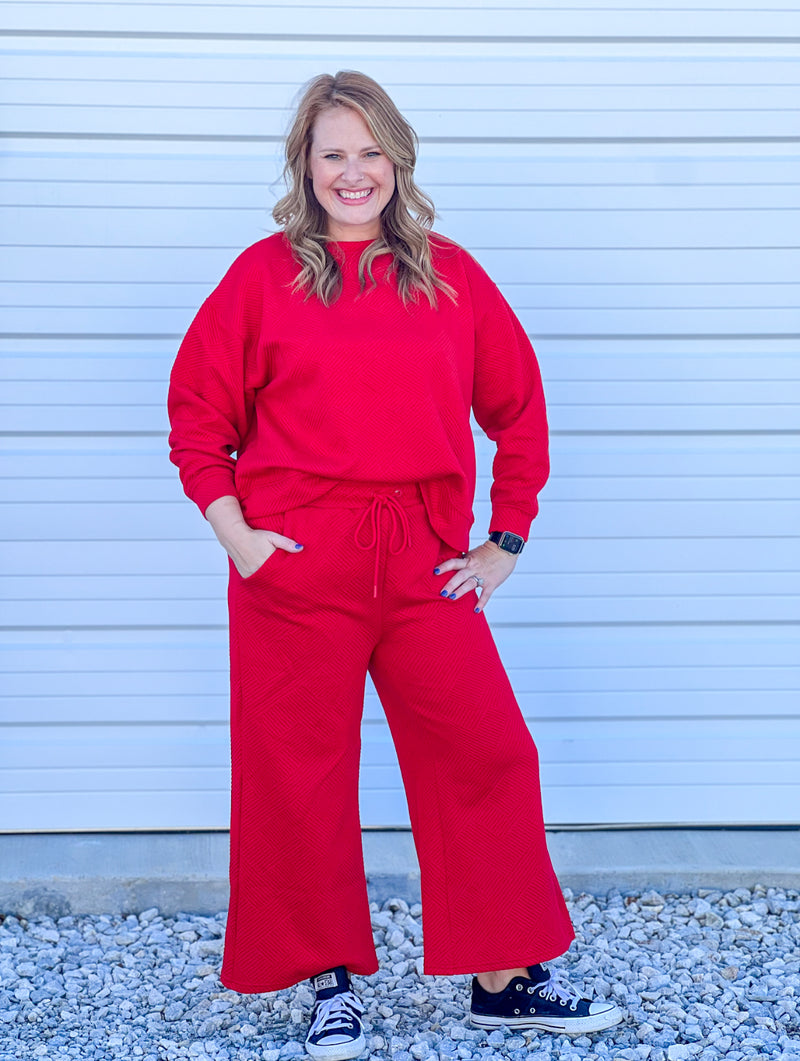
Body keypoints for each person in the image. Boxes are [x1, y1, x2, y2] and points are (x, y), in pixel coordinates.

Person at [167, 70, 623, 1059]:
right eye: (332, 152)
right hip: (298, 560)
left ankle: (503, 980)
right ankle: (328, 980)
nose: (352, 171)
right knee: (300, 773)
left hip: (423, 562)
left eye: (369, 151)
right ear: (306, 166)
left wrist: (503, 537)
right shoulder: (262, 277)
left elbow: (518, 405)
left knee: (487, 752)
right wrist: (239, 536)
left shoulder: (449, 275)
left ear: (396, 161)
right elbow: (196, 416)